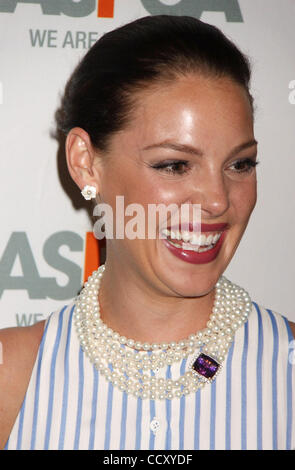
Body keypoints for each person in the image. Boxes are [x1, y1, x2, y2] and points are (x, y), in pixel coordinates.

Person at [1, 15, 294, 451]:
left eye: (240, 164)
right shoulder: (11, 373)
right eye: (174, 165)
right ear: (85, 162)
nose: (217, 200)